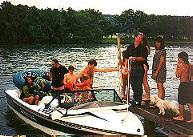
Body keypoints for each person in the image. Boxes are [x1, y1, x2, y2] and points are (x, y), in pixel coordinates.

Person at [125, 32, 148, 107]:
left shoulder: (143, 47)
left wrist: (135, 58)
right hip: (132, 67)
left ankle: (138, 101)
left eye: (141, 38)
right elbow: (126, 57)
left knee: (138, 84)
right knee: (133, 84)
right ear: (135, 37)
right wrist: (126, 67)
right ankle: (135, 99)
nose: (140, 39)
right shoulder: (130, 47)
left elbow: (143, 58)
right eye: (139, 37)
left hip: (140, 67)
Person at [173, 52, 193, 123]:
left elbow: (177, 75)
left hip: (183, 85)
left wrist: (177, 66)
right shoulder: (191, 65)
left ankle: (181, 116)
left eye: (178, 58)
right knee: (190, 102)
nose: (178, 59)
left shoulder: (182, 66)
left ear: (181, 58)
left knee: (181, 102)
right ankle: (192, 118)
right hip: (190, 84)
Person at [142, 36, 151, 101]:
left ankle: (148, 95)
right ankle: (146, 94)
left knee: (144, 81)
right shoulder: (146, 47)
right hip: (144, 64)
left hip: (144, 65)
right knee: (144, 81)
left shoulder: (145, 47)